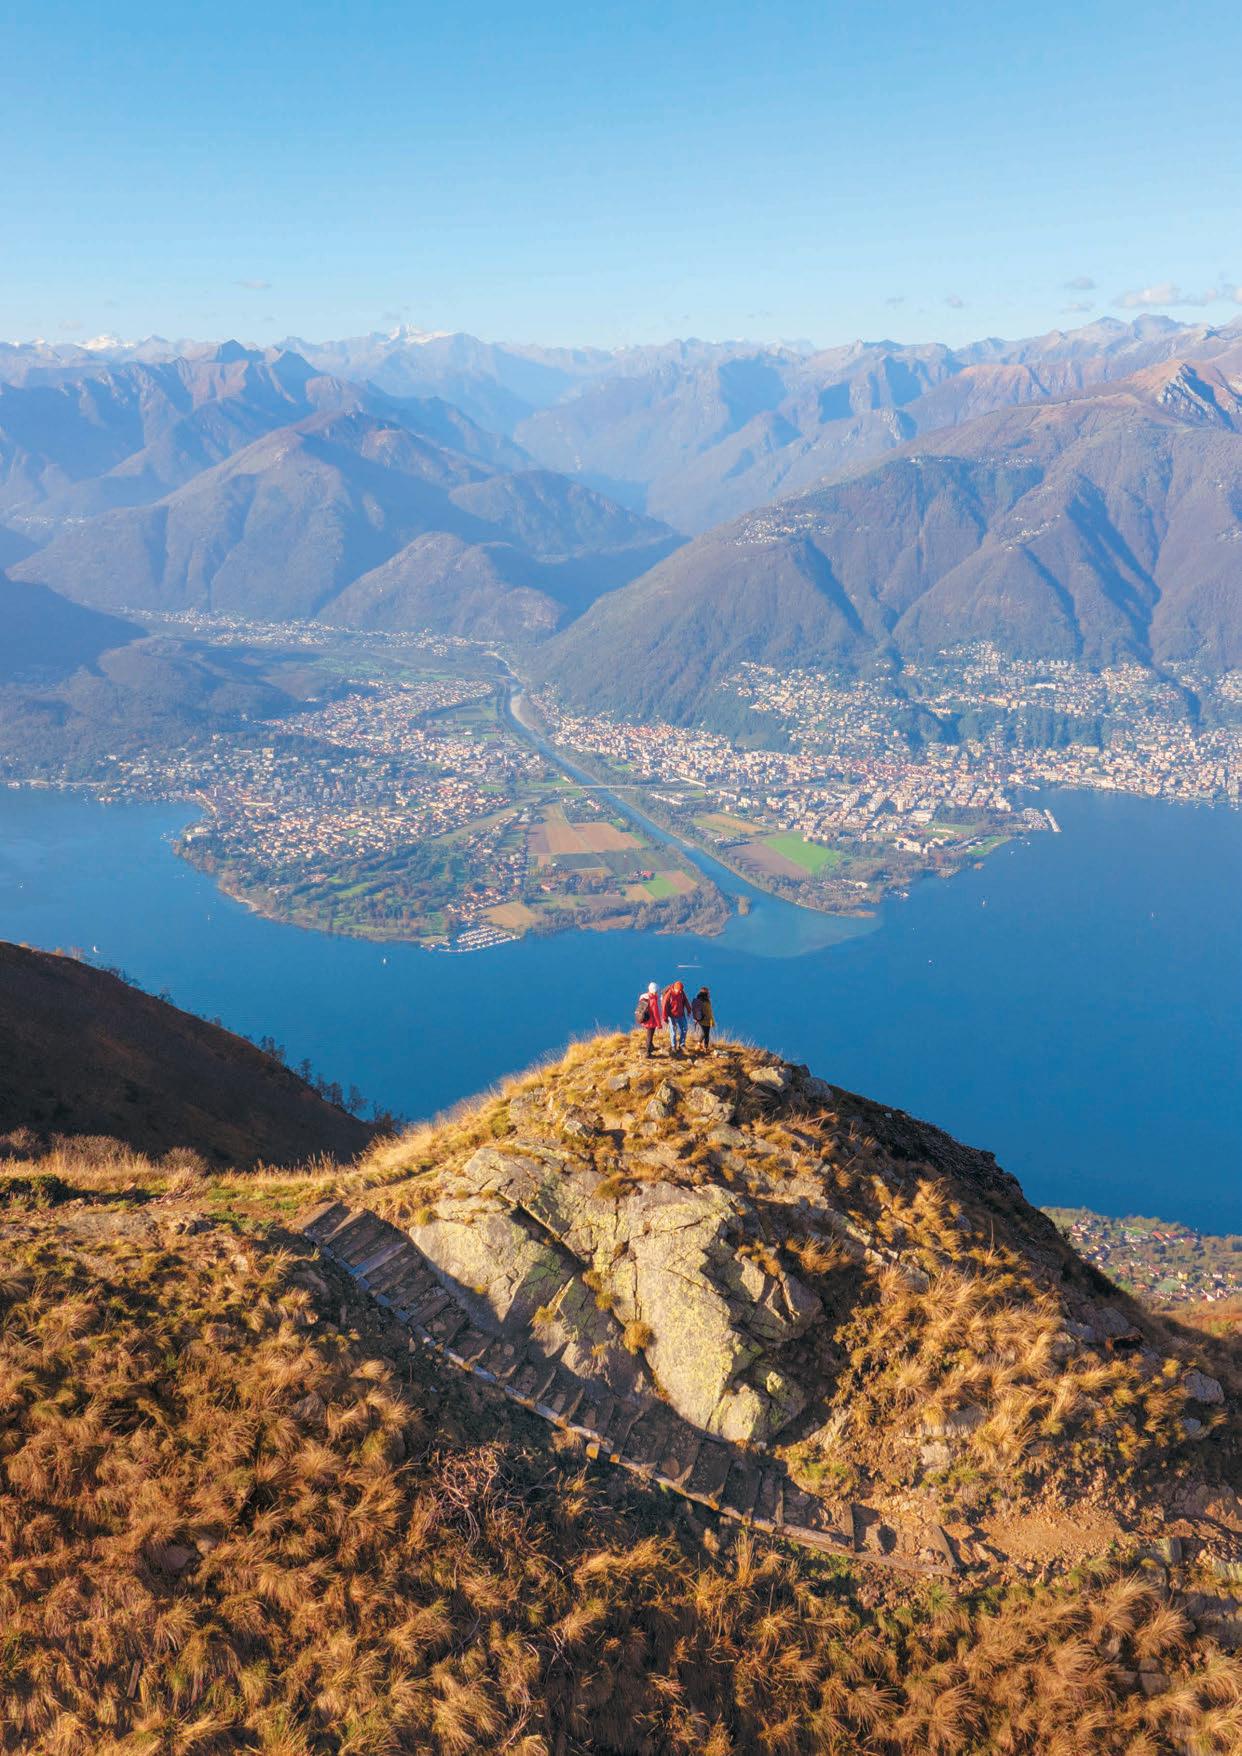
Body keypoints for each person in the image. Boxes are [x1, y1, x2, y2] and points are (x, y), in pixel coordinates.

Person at [662, 978, 690, 1056]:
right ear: (675, 988)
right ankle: (673, 1046)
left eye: (681, 990)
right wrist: (665, 1017)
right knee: (673, 1032)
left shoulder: (681, 992)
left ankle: (682, 1044)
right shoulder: (669, 994)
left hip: (681, 1014)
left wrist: (688, 1009)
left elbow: (685, 1000)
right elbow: (664, 1006)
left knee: (685, 1028)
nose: (680, 992)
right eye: (679, 990)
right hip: (672, 1016)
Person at [635, 981, 663, 1057]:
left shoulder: (644, 996)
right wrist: (659, 1024)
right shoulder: (653, 1000)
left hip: (645, 1020)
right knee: (649, 1036)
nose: (657, 992)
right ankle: (647, 1052)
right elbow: (656, 1014)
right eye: (657, 991)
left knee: (650, 1034)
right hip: (651, 1021)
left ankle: (651, 1047)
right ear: (655, 991)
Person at [691, 985, 714, 1053]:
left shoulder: (706, 1001)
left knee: (706, 1034)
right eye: (708, 992)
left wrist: (712, 1021)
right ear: (705, 993)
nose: (709, 994)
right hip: (702, 1020)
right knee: (704, 1034)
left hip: (707, 1020)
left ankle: (705, 1047)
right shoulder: (702, 1001)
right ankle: (699, 1045)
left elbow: (709, 1012)